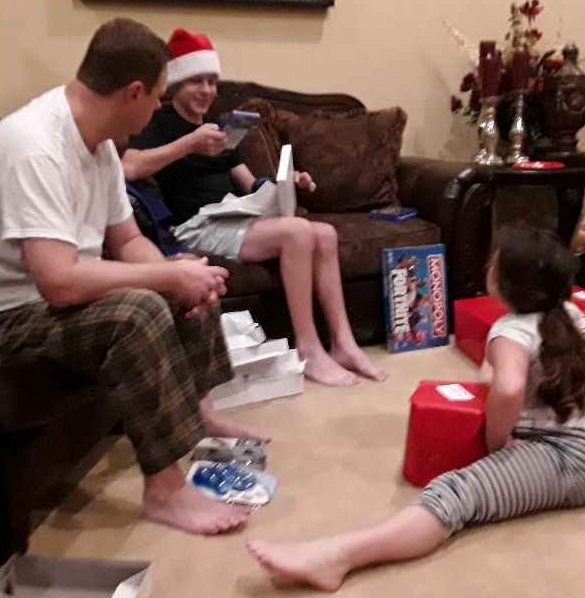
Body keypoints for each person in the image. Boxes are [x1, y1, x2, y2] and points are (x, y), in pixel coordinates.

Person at [0, 18, 267, 535]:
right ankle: (166, 492)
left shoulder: (102, 144)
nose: (157, 109)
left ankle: (199, 412)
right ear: (133, 93)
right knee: (141, 310)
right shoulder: (36, 145)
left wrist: (175, 272)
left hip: (42, 301)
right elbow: (59, 281)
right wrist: (162, 281)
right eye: (157, 96)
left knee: (185, 275)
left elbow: (127, 240)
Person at [246, 226, 585, 590]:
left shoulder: (511, 331)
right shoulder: (569, 315)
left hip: (573, 460)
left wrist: (498, 442)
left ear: (499, 281)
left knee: (455, 491)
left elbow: (509, 388)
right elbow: (498, 376)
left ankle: (338, 557)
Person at [121, 28, 387, 388]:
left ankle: (343, 343)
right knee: (297, 232)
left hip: (233, 213)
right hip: (193, 224)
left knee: (325, 233)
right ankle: (308, 350)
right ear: (177, 84)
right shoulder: (160, 121)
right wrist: (189, 144)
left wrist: (287, 182)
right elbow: (128, 167)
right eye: (197, 81)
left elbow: (250, 184)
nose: (207, 90)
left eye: (212, 82)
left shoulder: (218, 129)